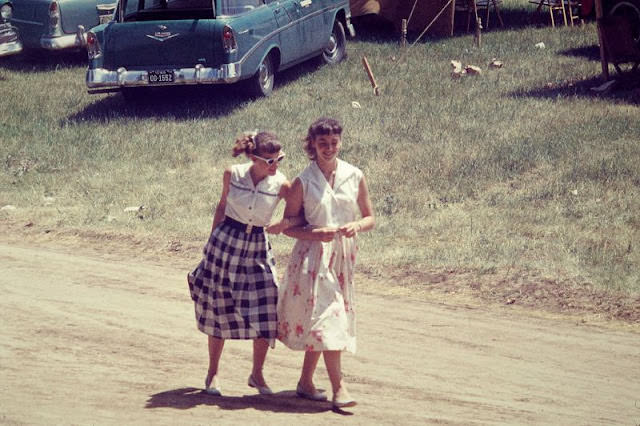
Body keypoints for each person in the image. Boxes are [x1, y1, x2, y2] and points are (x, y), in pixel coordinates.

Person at [187, 131, 298, 396]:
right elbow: (222, 206)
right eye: (269, 160)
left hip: (258, 247)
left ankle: (257, 374)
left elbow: (298, 215)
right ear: (253, 158)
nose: (275, 165)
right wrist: (210, 243)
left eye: (279, 159)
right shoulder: (233, 175)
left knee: (267, 307)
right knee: (218, 308)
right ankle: (213, 373)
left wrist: (283, 224)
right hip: (226, 243)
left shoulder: (282, 184)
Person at [277, 117, 375, 409]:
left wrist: (357, 226)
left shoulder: (355, 175)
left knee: (325, 321)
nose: (329, 148)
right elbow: (288, 226)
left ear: (340, 142)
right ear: (313, 145)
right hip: (311, 260)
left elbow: (370, 218)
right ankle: (339, 388)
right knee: (330, 319)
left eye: (333, 143)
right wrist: (313, 233)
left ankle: (306, 383)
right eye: (322, 143)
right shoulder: (303, 181)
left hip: (343, 258)